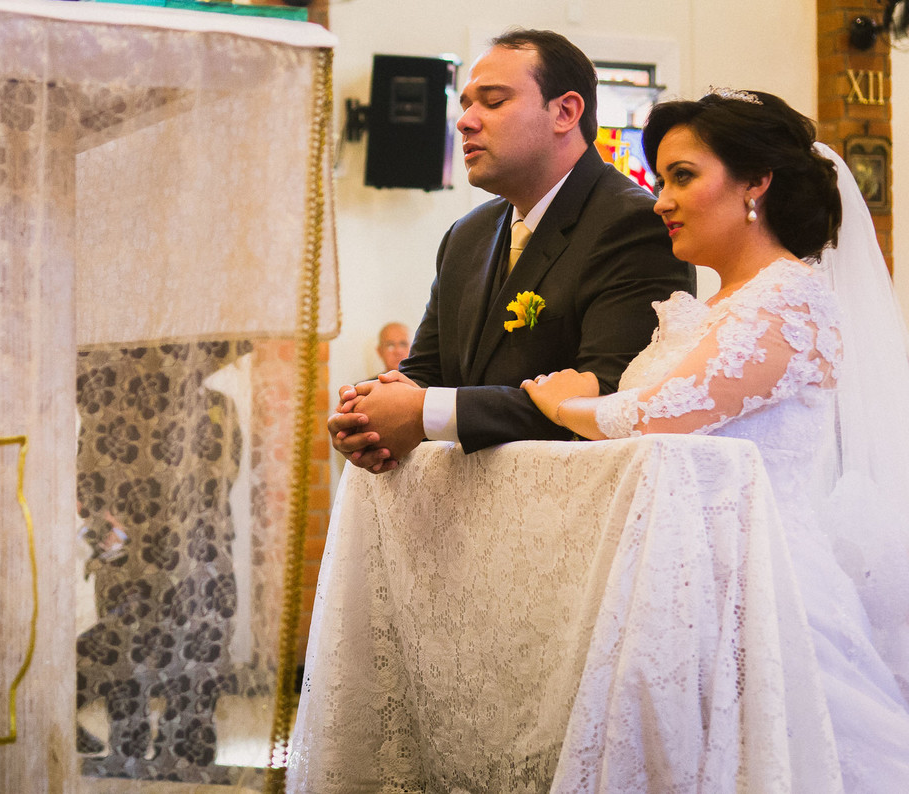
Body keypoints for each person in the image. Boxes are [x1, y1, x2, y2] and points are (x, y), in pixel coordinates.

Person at [522, 88, 909, 789]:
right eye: (661, 179)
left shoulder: (791, 295)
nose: (660, 200)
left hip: (761, 582)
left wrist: (563, 403)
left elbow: (661, 415)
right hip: (679, 579)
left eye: (683, 176)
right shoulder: (714, 310)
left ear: (756, 181)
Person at [328, 30, 695, 473]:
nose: (465, 121)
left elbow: (612, 397)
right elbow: (426, 371)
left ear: (565, 111)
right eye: (465, 105)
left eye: (494, 101)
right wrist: (367, 411)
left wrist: (423, 412)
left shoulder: (633, 225)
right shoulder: (467, 235)